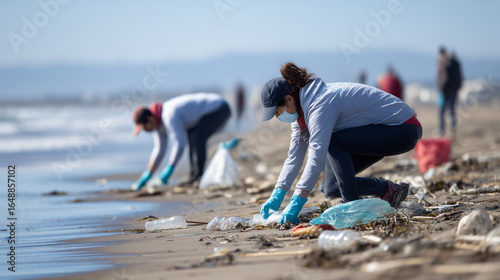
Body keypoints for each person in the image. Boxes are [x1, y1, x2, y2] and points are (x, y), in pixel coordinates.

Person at [260, 62, 422, 224]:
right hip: (380, 131)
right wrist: (277, 193)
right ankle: (389, 190)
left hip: (402, 128)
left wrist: (297, 202)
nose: (277, 116)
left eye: (276, 112)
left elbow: (316, 156)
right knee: (330, 187)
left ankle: (353, 206)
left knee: (333, 143)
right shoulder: (300, 114)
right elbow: (294, 157)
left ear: (288, 99)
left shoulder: (320, 104)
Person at [132, 93, 231, 190]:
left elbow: (179, 144)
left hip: (219, 108)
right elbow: (160, 149)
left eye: (144, 127)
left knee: (196, 137)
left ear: (149, 119)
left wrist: (170, 167)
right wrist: (148, 173)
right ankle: (194, 178)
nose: (145, 130)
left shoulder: (169, 116)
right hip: (208, 112)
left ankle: (198, 177)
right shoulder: (158, 124)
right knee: (193, 137)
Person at [437, 47, 463, 136]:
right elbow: (460, 77)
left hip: (445, 91)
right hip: (454, 90)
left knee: (442, 110)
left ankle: (441, 130)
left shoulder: (445, 63)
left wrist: (441, 88)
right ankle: (453, 129)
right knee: (452, 110)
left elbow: (444, 78)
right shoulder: (456, 64)